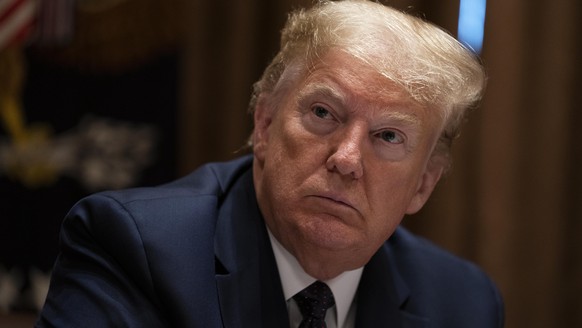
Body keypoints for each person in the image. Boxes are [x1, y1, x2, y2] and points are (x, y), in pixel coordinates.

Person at [36, 0, 504, 327]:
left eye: (388, 136)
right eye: (323, 113)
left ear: (422, 185)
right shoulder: (133, 249)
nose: (346, 160)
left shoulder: (461, 302)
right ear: (264, 124)